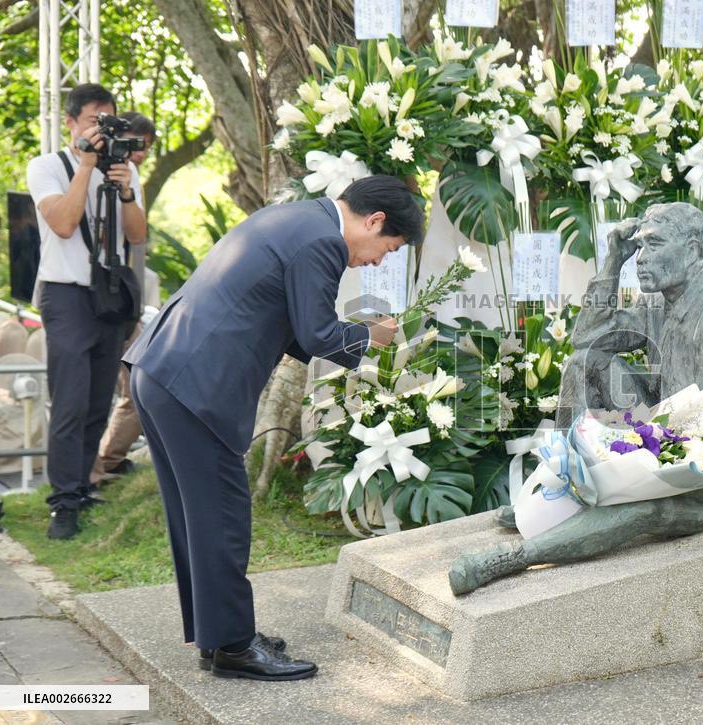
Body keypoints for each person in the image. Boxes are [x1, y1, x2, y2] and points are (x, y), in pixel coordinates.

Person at [124, 175, 423, 681]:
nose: (378, 262)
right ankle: (235, 648)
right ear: (374, 221)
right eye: (387, 249)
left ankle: (220, 637)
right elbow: (317, 332)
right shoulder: (324, 241)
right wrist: (370, 336)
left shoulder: (295, 217)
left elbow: (285, 320)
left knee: (198, 518)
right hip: (196, 383)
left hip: (163, 369)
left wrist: (351, 340)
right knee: (222, 516)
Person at [449, 202, 703, 595]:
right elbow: (588, 338)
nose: (642, 258)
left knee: (647, 506)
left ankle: (515, 558)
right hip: (665, 438)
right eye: (639, 247)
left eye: (654, 245)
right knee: (585, 362)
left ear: (692, 251)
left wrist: (644, 463)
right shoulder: (656, 303)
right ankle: (565, 483)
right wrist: (611, 263)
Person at [26, 83, 147, 540]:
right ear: (72, 122)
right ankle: (62, 503)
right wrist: (84, 166)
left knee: (97, 400)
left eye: (109, 121)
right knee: (70, 402)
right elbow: (63, 222)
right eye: (95, 120)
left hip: (109, 295)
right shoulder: (47, 166)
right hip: (66, 295)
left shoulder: (122, 168)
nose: (103, 130)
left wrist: (127, 192)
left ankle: (82, 486)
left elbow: (137, 236)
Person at [91, 111, 158, 484]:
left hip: (126, 298)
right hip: (93, 296)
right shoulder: (90, 174)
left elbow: (137, 236)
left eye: (144, 147)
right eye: (133, 145)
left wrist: (128, 192)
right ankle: (93, 468)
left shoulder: (131, 180)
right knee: (98, 388)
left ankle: (109, 459)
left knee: (139, 379)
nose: (138, 154)